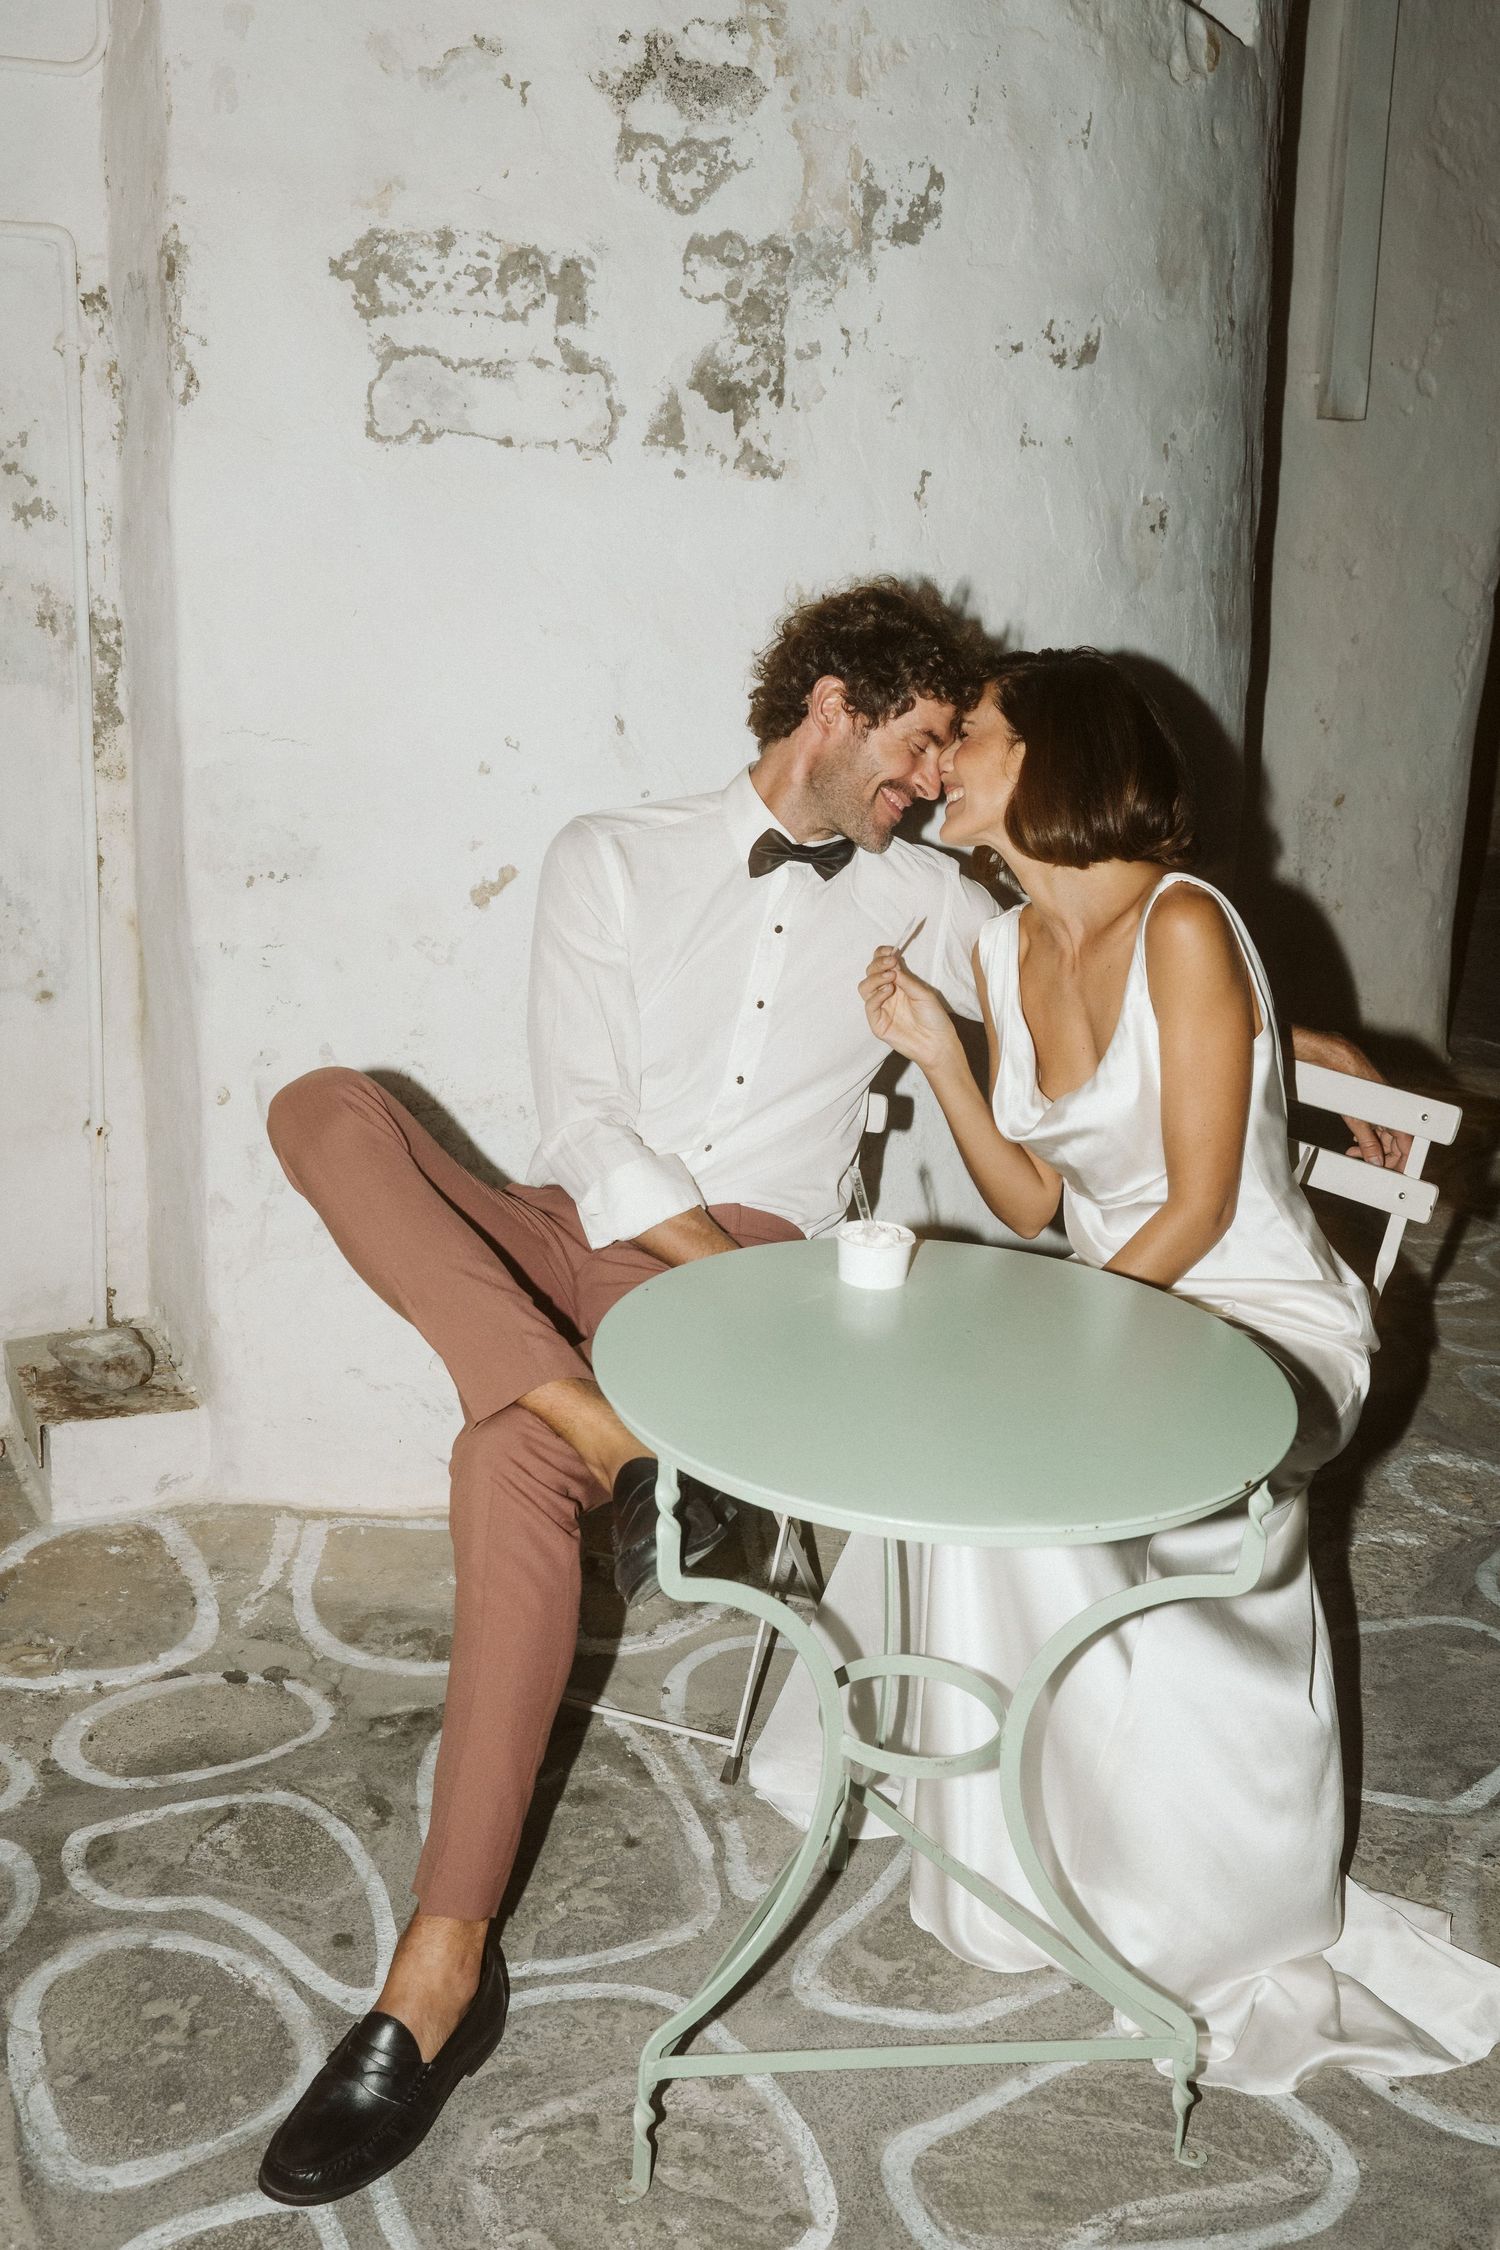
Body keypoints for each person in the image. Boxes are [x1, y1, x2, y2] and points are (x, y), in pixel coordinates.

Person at [256, 593, 1405, 2202]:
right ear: (833, 707)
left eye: (960, 749)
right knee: (323, 1107)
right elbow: (584, 1121)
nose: (933, 782)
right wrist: (603, 1315)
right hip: (583, 1221)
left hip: (745, 1262)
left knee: (502, 1468)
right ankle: (590, 1410)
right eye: (921, 742)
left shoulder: (935, 896)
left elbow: (1143, 966)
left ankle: (436, 1971)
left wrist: (1311, 1042)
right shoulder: (613, 854)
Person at [751, 648, 1500, 2092]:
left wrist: (1066, 1339)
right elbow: (1037, 1202)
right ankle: (1010, 1838)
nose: (943, 762)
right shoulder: (1003, 949)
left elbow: (1205, 1207)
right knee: (948, 1443)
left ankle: (1173, 1870)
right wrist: (944, 1057)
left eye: (973, 734)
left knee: (1018, 1439)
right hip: (1116, 1301)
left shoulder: (1186, 925)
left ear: (1056, 757)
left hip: (1257, 1317)